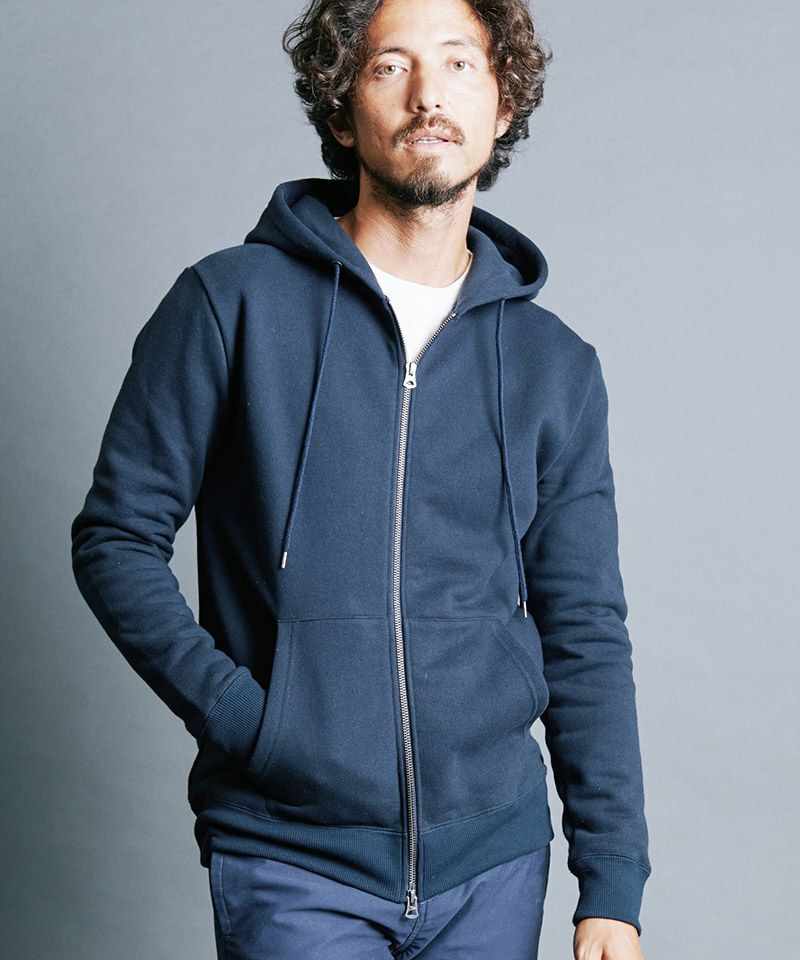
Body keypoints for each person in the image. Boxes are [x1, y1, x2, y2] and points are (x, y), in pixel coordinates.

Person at [70, 0, 652, 957]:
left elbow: (584, 625)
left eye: (460, 64)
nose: (429, 95)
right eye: (389, 66)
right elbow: (115, 540)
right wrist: (248, 722)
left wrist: (614, 883)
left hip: (494, 866)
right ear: (343, 111)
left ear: (503, 104)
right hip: (292, 854)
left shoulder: (556, 367)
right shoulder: (229, 304)